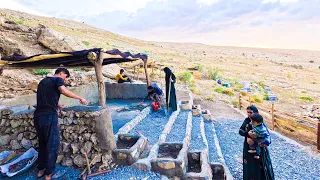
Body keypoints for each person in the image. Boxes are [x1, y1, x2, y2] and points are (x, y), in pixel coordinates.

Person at [34, 68, 88, 180]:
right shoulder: (57, 80)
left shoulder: (43, 81)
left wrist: (58, 105)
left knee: (42, 143)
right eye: (65, 76)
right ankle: (49, 174)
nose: (65, 79)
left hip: (38, 116)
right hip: (49, 116)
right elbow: (63, 91)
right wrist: (80, 98)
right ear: (61, 73)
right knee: (52, 145)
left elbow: (47, 97)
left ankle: (41, 170)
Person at [239, 105, 275, 180]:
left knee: (259, 167)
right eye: (247, 112)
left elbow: (268, 138)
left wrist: (258, 141)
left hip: (260, 149)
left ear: (256, 113)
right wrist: (247, 133)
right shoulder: (246, 121)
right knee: (249, 165)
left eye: (251, 112)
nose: (249, 114)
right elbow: (240, 131)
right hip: (247, 148)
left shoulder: (260, 123)